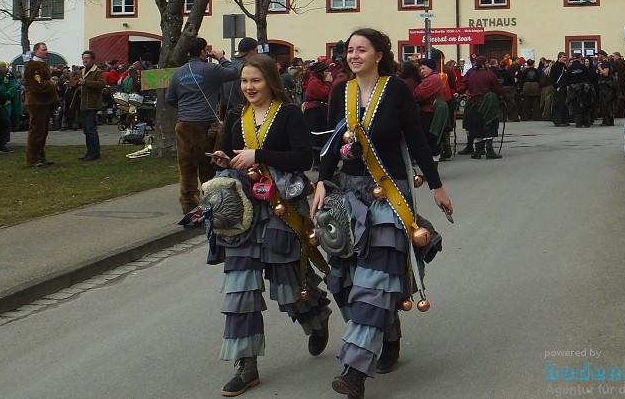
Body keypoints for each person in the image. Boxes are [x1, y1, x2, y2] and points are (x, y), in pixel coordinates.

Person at [311, 28, 453, 398]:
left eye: (362, 50)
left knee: (374, 282)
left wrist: (436, 185)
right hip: (348, 196)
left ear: (379, 54)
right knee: (344, 280)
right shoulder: (340, 92)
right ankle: (388, 335)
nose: (354, 55)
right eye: (350, 51)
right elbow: (330, 142)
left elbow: (417, 140)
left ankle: (355, 371)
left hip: (388, 197)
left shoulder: (397, 90)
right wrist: (322, 182)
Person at [209, 55, 332, 397]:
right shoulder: (235, 115)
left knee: (288, 286)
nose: (248, 87)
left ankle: (317, 318)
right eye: (244, 82)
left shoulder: (290, 113)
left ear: (270, 83)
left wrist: (259, 154)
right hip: (243, 214)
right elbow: (224, 152)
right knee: (241, 292)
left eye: (255, 81)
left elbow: (304, 158)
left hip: (281, 209)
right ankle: (246, 367)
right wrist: (222, 159)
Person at [165, 38, 241, 213]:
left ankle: (189, 205)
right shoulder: (211, 69)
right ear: (203, 52)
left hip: (184, 124)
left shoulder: (178, 73)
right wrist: (221, 57)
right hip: (206, 124)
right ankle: (212, 205)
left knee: (186, 167)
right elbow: (235, 72)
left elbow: (170, 99)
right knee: (208, 165)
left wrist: (185, 107)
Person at [459, 55, 504, 159]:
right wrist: (501, 96)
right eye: (487, 63)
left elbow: (464, 85)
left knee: (477, 126)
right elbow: (498, 88)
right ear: (484, 64)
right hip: (487, 102)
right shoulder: (490, 75)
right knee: (489, 125)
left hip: (474, 103)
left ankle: (478, 151)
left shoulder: (471, 75)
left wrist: (457, 92)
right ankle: (489, 151)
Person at [24, 42, 61, 168]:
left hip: (44, 103)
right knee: (36, 131)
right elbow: (37, 86)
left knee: (42, 132)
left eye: (46, 50)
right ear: (36, 51)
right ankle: (33, 159)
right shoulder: (34, 66)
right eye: (43, 50)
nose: (46, 52)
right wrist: (51, 83)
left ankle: (40, 157)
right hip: (37, 103)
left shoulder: (41, 65)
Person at [70, 50, 107, 160]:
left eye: (87, 58)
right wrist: (77, 82)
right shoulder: (82, 71)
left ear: (92, 59)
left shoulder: (97, 72)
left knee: (91, 130)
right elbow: (72, 81)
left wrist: (86, 83)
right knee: (86, 130)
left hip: (91, 104)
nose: (85, 60)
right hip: (82, 104)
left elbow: (101, 84)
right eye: (84, 58)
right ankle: (90, 152)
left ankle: (94, 153)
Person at [565, 56, 596, 128]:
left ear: (573, 59)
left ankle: (578, 123)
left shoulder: (570, 68)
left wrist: (568, 87)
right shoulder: (583, 67)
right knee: (585, 106)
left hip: (573, 89)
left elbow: (566, 79)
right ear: (579, 59)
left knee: (576, 106)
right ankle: (587, 123)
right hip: (583, 88)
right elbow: (590, 75)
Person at [594, 50, 616, 126]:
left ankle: (607, 121)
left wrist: (599, 68)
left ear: (602, 55)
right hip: (603, 85)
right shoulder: (604, 63)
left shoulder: (606, 63)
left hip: (606, 85)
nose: (598, 57)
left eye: (599, 55)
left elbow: (605, 73)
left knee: (606, 103)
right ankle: (608, 120)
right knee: (604, 103)